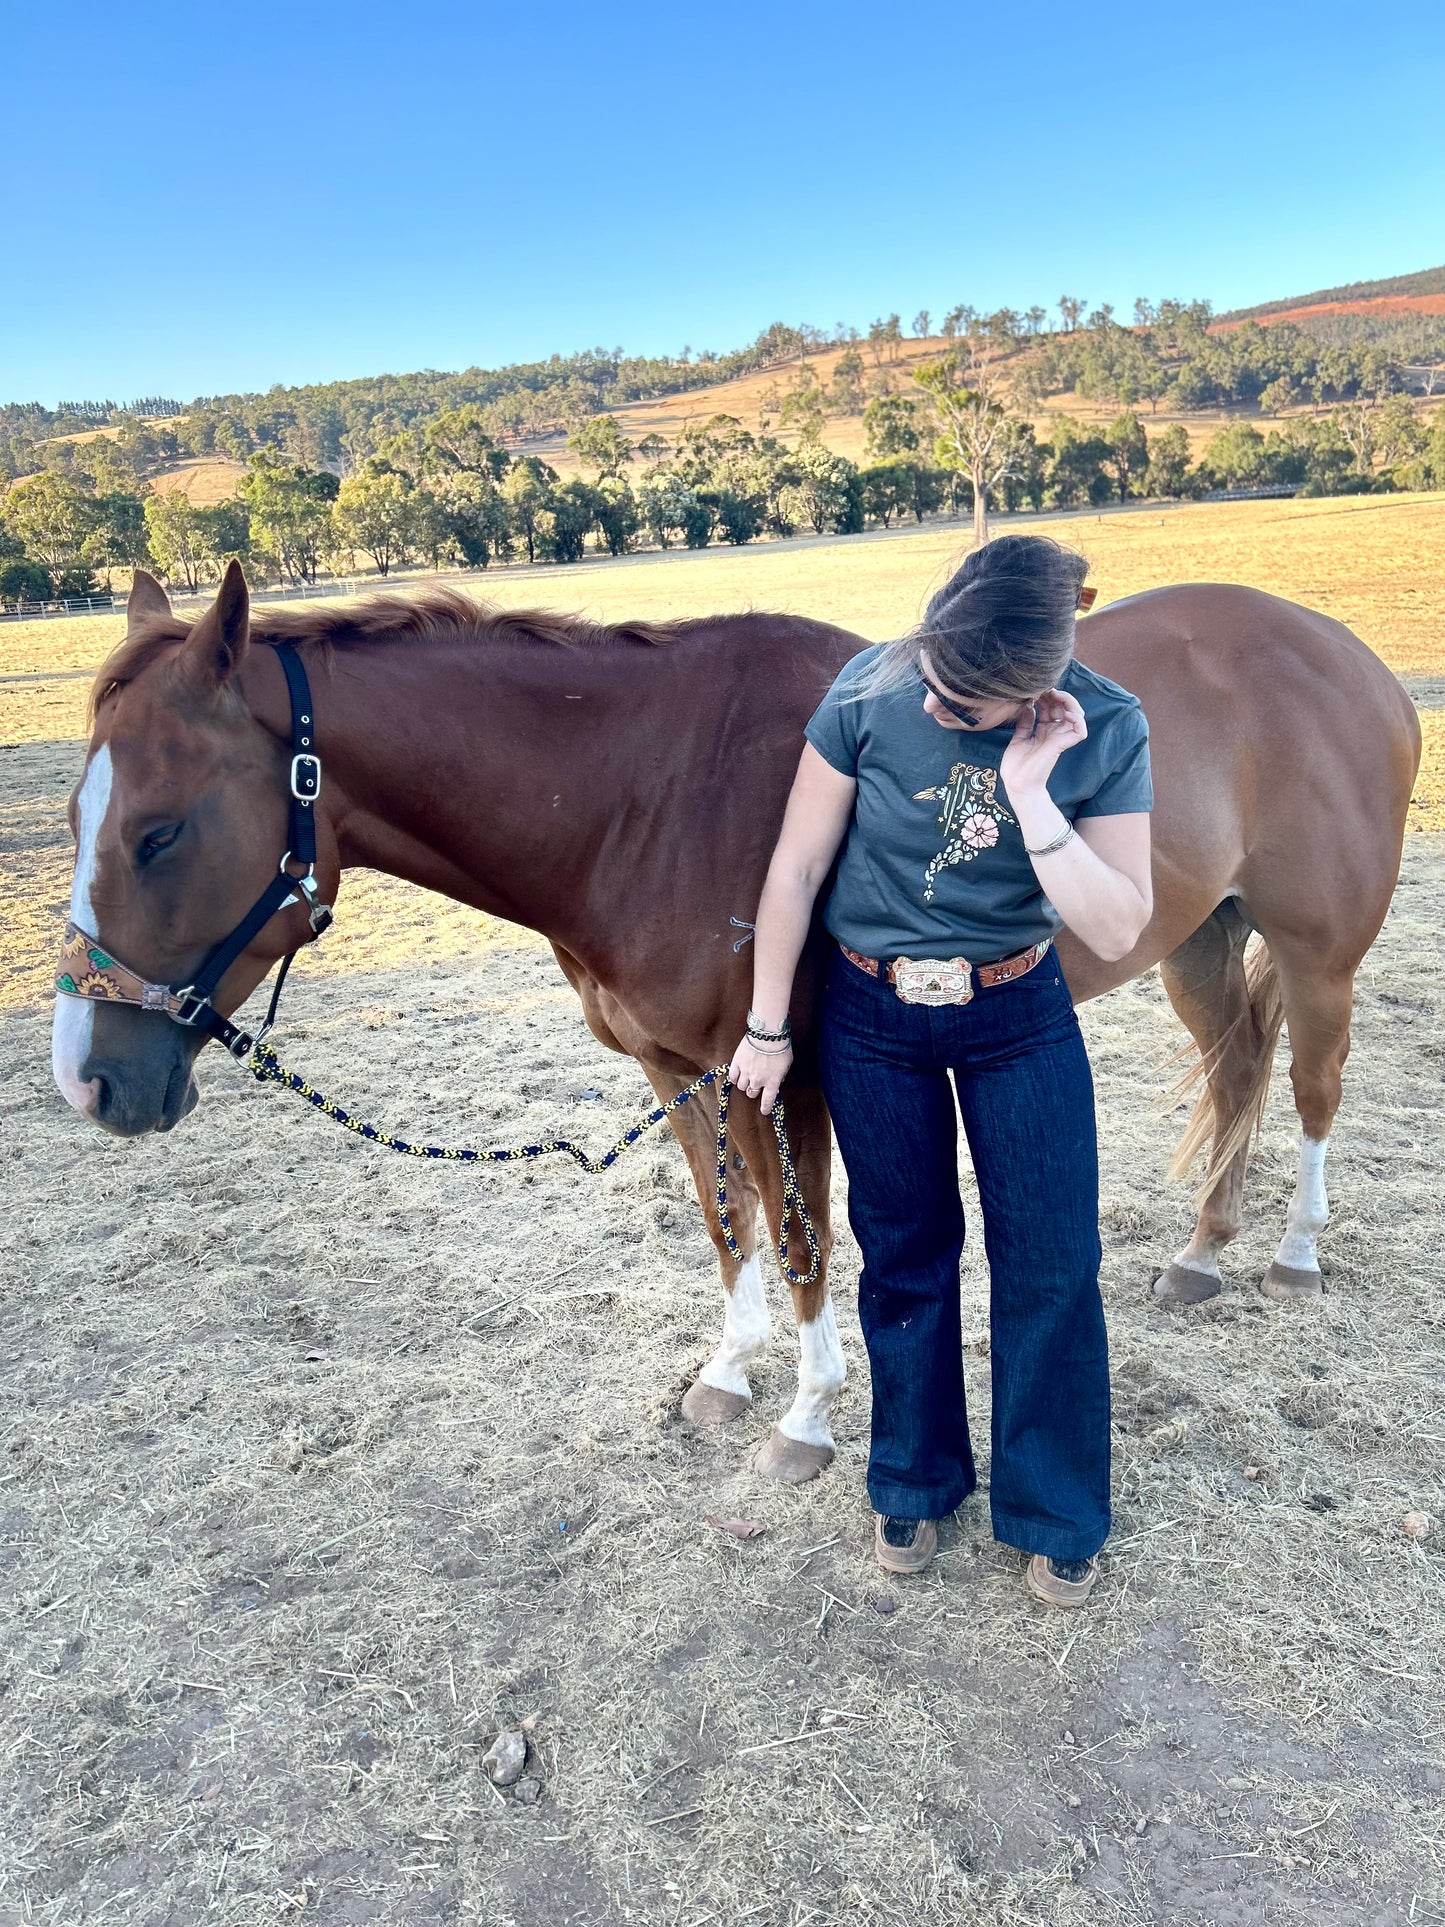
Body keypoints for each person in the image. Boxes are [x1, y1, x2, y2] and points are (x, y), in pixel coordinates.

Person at [730, 535, 1153, 1607]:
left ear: (1038, 687)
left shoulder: (1106, 725)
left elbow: (1115, 922)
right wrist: (769, 1024)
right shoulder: (870, 687)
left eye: (963, 706)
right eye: (931, 676)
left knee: (1051, 1257)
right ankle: (912, 1477)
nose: (932, 708)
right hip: (871, 1015)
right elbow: (797, 863)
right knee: (904, 1253)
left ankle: (1052, 1507)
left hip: (1016, 1012)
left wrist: (1029, 792)